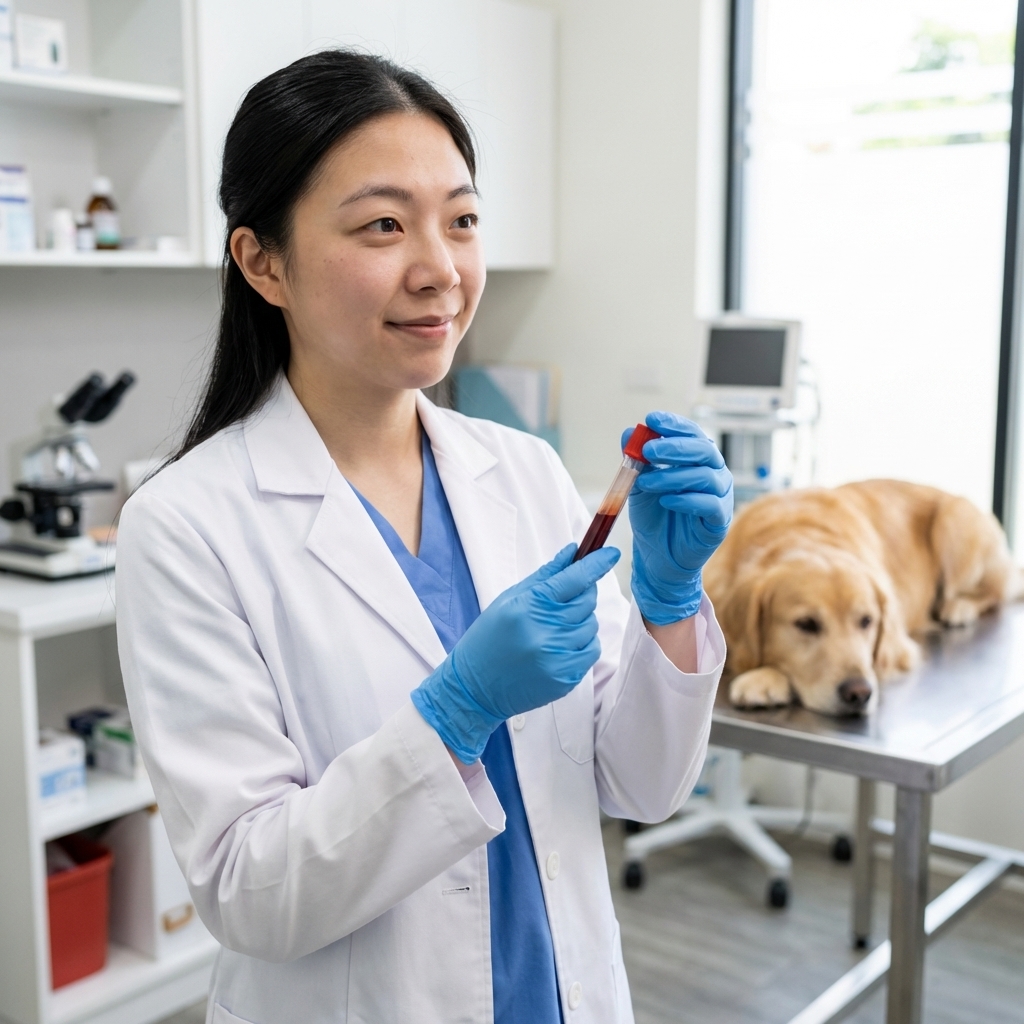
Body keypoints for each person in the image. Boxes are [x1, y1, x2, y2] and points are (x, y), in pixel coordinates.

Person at [115, 50, 732, 1024]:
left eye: (463, 219)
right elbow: (246, 889)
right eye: (383, 225)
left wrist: (667, 606)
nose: (440, 268)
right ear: (261, 261)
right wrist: (453, 713)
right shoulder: (186, 526)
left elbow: (639, 782)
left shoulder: (521, 470)